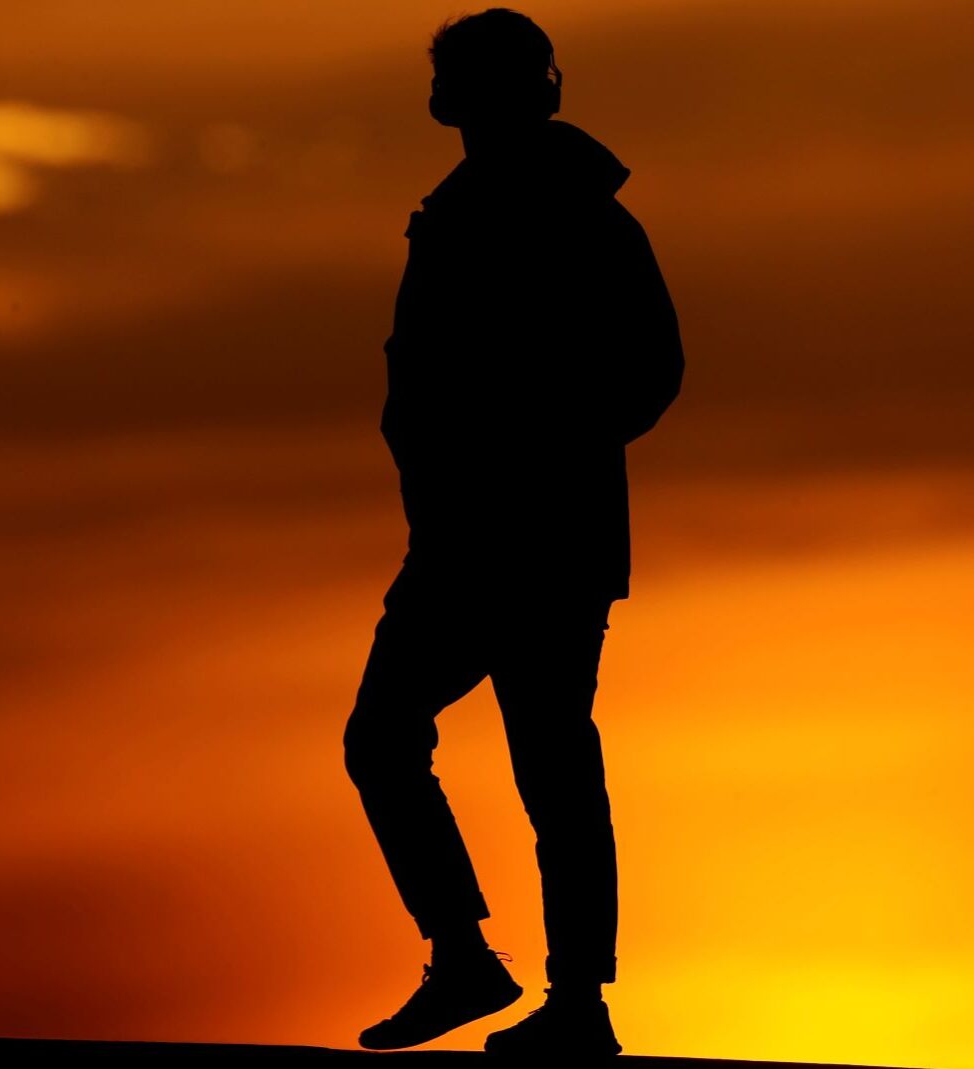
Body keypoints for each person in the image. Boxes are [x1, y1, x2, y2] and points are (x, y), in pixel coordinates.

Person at [342, 7, 684, 1057]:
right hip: (472, 537)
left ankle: (549, 990)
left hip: (521, 541)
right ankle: (496, 971)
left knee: (512, 755)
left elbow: (648, 369)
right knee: (471, 751)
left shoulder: (577, 216)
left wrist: (537, 448)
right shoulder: (468, 212)